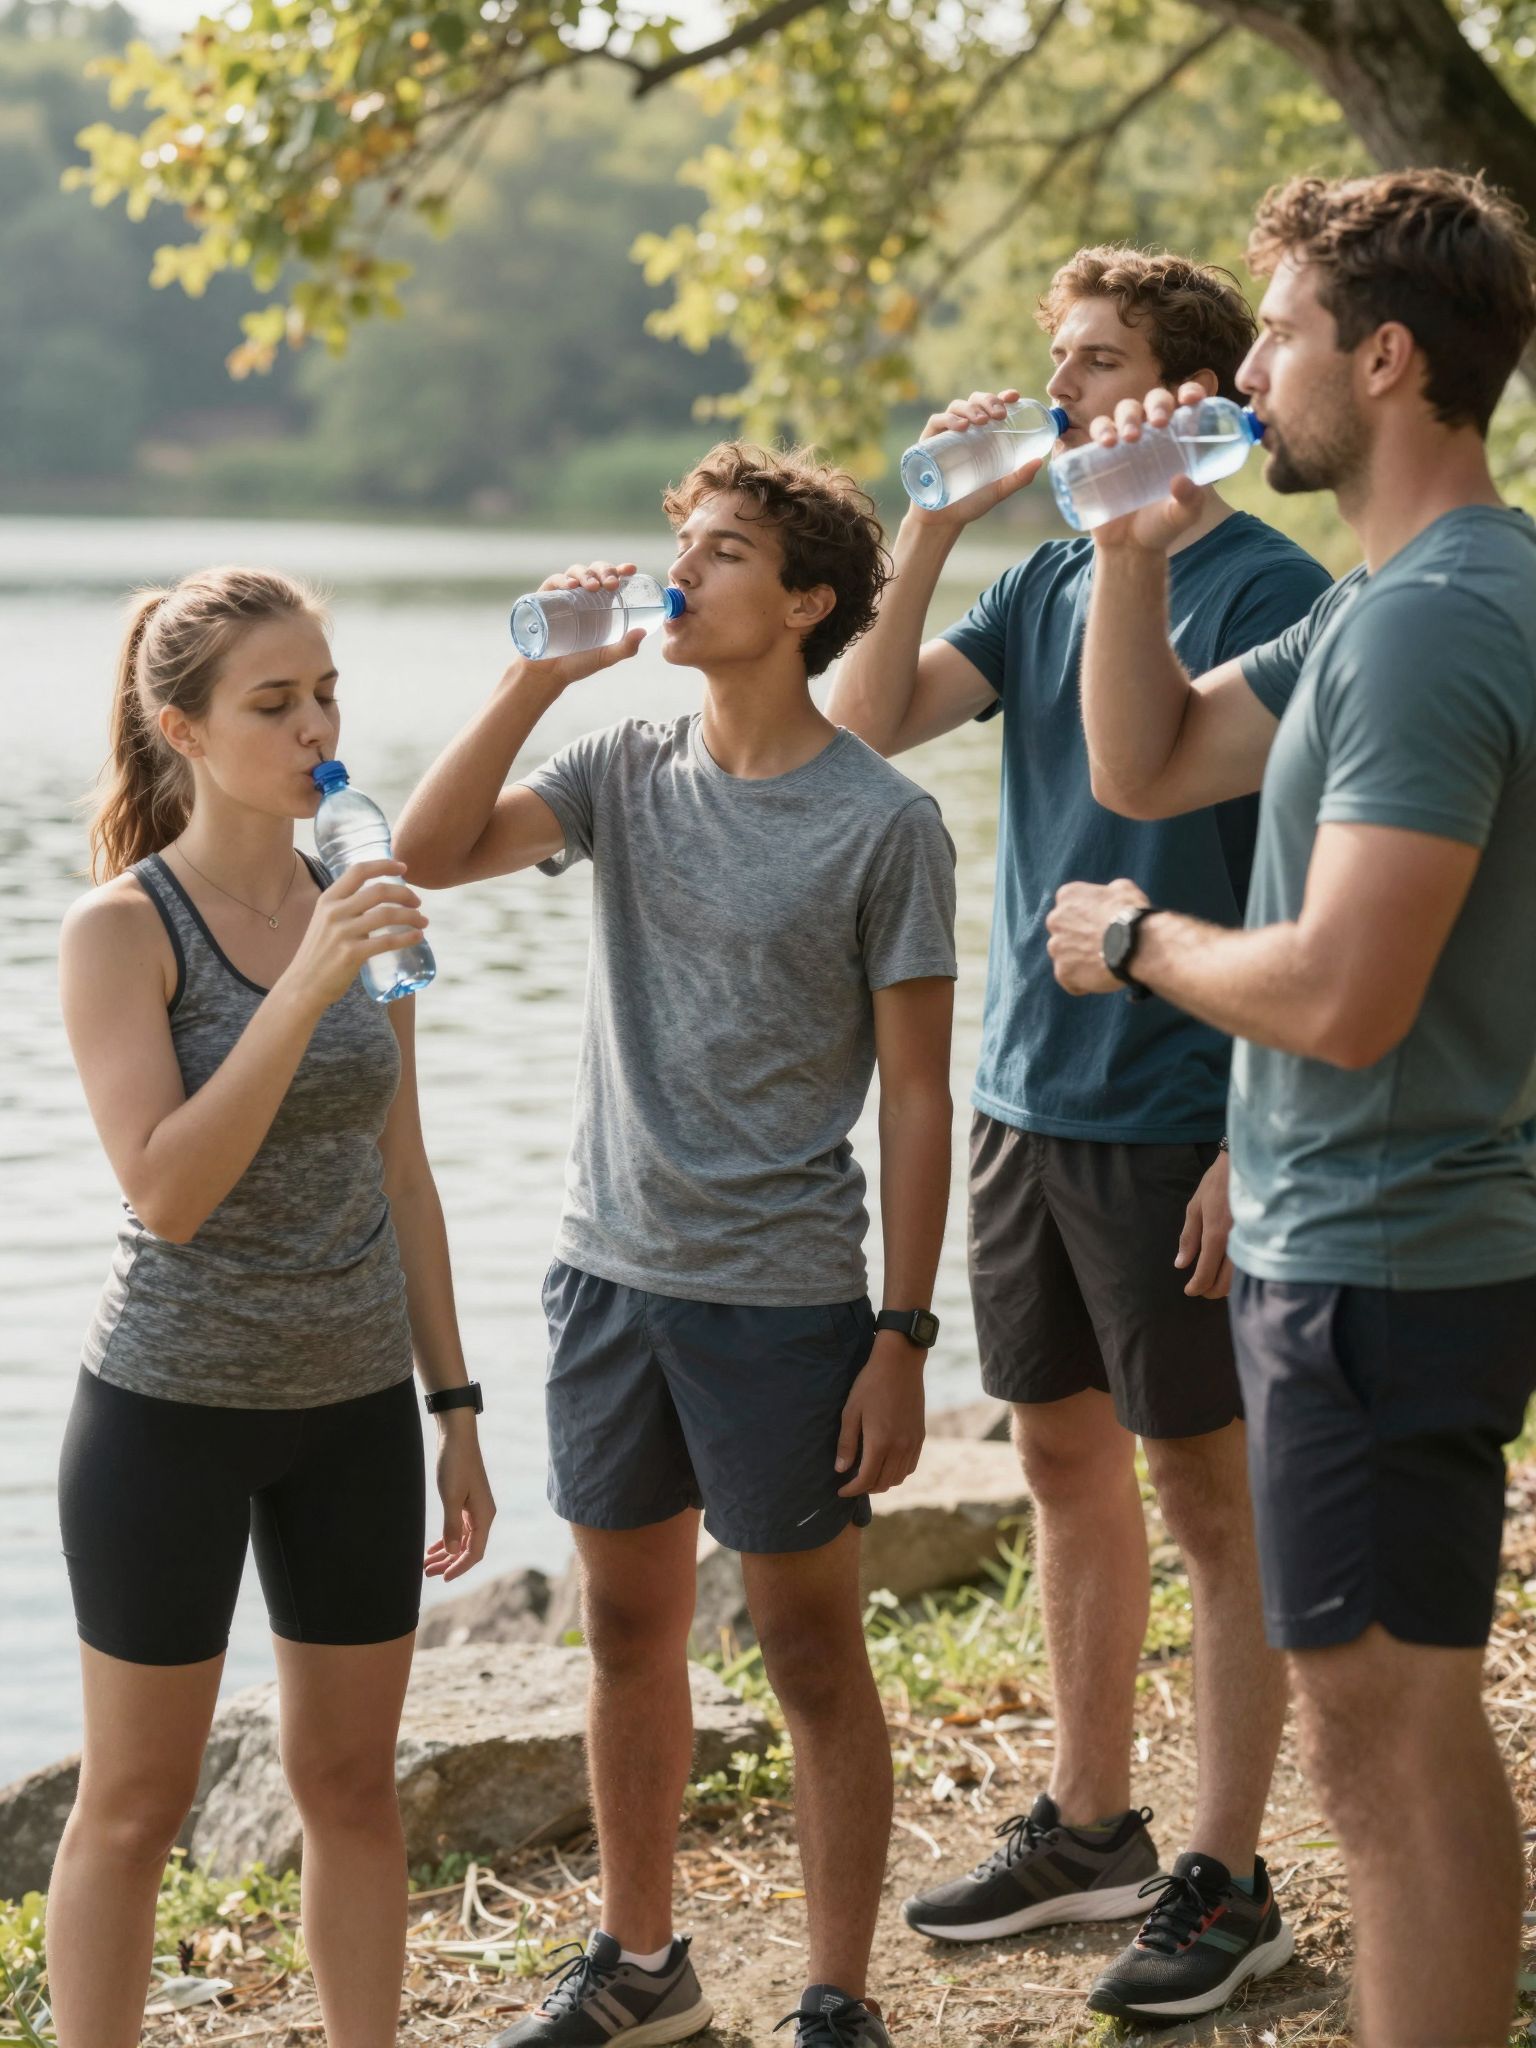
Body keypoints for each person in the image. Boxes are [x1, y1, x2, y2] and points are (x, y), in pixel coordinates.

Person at [1045, 168, 1536, 2046]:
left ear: (1387, 358)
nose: (1242, 370)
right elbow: (1146, 751)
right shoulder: (1386, 604)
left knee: (1390, 1737)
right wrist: (1139, 547)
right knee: (1388, 1725)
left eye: (1277, 334)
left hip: (1394, 1258)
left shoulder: (1429, 624)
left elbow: (1343, 990)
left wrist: (1144, 941)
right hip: (1355, 1250)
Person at [394, 443, 957, 2048]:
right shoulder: (625, 763)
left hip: (782, 1301)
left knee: (808, 1647)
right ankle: (643, 1968)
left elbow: (916, 1098)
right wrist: (532, 678)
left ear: (805, 604)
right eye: (683, 547)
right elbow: (423, 855)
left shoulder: (885, 822)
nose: (684, 574)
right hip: (607, 1276)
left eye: (724, 554)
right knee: (629, 1630)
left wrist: (902, 1336)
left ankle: (838, 1994)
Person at [827, 245, 1332, 2023]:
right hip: (1023, 1100)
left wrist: (1243, 1139)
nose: (1058, 392)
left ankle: (1231, 1868)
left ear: (1182, 400)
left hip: (1188, 1113)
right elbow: (862, 721)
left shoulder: (1285, 593)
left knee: (1208, 1495)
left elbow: (1319, 901)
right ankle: (1095, 1822)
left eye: (1095, 361)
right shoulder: (1044, 580)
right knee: (1060, 1466)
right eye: (1053, 359)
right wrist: (934, 528)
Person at [49, 568, 495, 2048]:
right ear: (182, 727)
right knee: (134, 1804)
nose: (319, 727)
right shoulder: (122, 931)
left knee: (354, 1790)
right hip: (168, 1417)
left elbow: (408, 1170)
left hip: (353, 1411)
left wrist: (456, 1404)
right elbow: (166, 1190)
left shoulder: (359, 903)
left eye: (329, 693)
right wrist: (305, 983)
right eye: (275, 702)